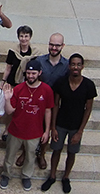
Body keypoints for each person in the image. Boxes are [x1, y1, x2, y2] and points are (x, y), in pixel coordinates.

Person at [42, 54, 97, 193]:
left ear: (82, 66)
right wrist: (53, 127)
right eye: (73, 64)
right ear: (69, 66)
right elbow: (55, 104)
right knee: (56, 150)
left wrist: (80, 131)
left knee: (72, 153)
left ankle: (66, 177)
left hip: (76, 126)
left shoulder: (88, 85)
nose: (75, 67)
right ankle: (52, 176)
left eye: (78, 64)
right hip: (60, 123)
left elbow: (88, 108)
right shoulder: (61, 82)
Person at [0, 60, 54, 191]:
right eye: (28, 73)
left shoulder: (46, 90)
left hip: (35, 132)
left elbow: (48, 110)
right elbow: (9, 111)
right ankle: (6, 174)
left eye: (33, 73)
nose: (30, 76)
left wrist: (47, 131)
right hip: (16, 130)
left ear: (39, 73)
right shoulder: (18, 89)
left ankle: (26, 176)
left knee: (30, 157)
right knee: (9, 156)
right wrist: (7, 99)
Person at [32, 33, 69, 169]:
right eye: (51, 44)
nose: (54, 48)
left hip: (54, 105)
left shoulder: (66, 65)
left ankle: (41, 154)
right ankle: (26, 152)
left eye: (57, 45)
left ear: (62, 46)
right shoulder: (39, 61)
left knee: (47, 130)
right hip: (37, 102)